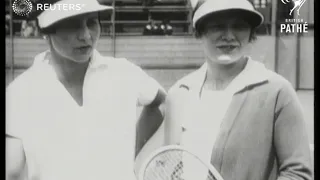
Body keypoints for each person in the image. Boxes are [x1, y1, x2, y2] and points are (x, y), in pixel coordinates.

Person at [6, 0, 166, 180]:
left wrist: (133, 149)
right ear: (45, 30)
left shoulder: (124, 72)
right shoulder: (20, 92)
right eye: (73, 25)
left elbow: (160, 103)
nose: (86, 36)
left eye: (91, 23)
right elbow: (12, 172)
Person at [164, 0, 313, 180]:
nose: (229, 36)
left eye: (239, 26)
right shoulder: (179, 94)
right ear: (199, 31)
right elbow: (170, 167)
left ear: (251, 32)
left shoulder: (278, 92)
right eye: (217, 26)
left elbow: (298, 173)